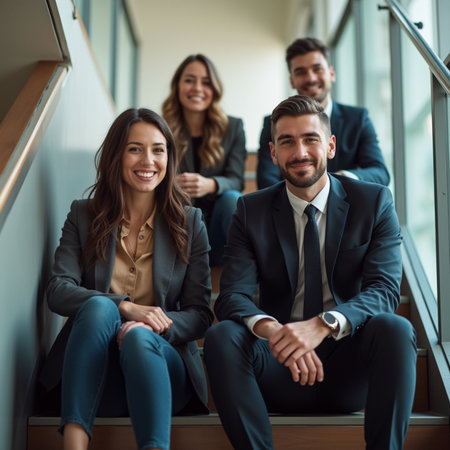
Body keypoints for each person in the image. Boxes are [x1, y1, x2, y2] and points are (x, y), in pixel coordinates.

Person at [204, 95, 417, 450]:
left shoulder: (374, 201)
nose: (299, 151)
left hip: (350, 369)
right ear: (272, 154)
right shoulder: (250, 210)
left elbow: (384, 290)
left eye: (310, 139)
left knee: (396, 327)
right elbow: (232, 297)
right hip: (279, 367)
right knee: (222, 335)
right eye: (287, 141)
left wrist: (321, 325)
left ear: (330, 146)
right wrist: (277, 333)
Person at [38, 108, 214, 450]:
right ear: (115, 155)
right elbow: (58, 291)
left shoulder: (191, 223)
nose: (147, 160)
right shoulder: (83, 215)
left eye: (158, 149)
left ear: (169, 157)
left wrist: (153, 326)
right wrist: (128, 308)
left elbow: (199, 314)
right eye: (135, 148)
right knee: (100, 308)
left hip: (159, 370)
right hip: (94, 372)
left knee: (137, 339)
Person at [257, 37, 390, 189]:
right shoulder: (274, 123)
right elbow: (266, 180)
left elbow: (380, 173)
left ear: (331, 74)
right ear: (292, 81)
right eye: (301, 72)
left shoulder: (358, 119)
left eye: (317, 69)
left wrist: (342, 178)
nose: (311, 78)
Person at [162, 54, 247, 266]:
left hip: (217, 234)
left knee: (232, 198)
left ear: (214, 89)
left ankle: (245, 274)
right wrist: (171, 184)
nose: (197, 88)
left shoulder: (233, 127)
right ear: (177, 85)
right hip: (175, 232)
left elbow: (237, 180)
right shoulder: (160, 128)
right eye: (189, 80)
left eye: (206, 82)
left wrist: (210, 184)